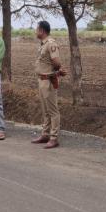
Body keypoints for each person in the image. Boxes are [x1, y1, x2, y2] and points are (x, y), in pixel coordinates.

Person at [31, 21, 66, 149]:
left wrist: (57, 71)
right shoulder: (43, 44)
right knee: (45, 110)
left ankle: (54, 137)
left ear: (41, 30)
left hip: (48, 81)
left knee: (53, 111)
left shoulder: (51, 44)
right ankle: (45, 134)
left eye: (36, 29)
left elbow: (56, 62)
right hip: (42, 80)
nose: (35, 31)